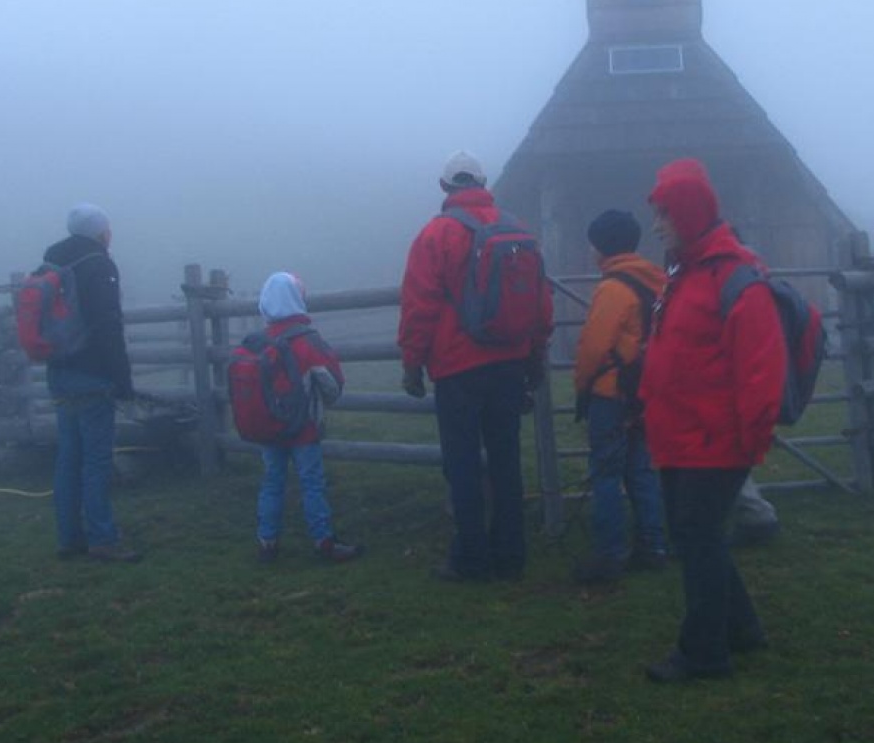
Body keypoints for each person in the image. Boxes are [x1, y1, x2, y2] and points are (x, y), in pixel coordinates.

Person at [639, 160, 786, 682]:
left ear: (690, 213)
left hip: (713, 440)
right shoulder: (687, 271)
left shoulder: (736, 279)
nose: (657, 226)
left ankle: (703, 654)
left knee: (696, 540)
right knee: (698, 536)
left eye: (665, 215)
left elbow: (760, 368)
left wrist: (749, 441)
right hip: (680, 434)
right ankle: (742, 630)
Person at [398, 150, 553, 582]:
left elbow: (419, 306)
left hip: (457, 367)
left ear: (446, 188)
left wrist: (412, 364)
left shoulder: (435, 235)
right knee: (506, 460)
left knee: (462, 463)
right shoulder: (518, 231)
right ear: (484, 183)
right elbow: (539, 302)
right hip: (509, 362)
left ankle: (470, 558)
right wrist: (535, 358)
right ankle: (511, 554)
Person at [570, 209, 668, 584]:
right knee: (642, 470)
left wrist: (583, 386)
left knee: (607, 473)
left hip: (611, 393)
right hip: (644, 392)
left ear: (601, 246)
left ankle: (610, 553)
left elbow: (594, 346)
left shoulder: (612, 288)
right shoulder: (656, 281)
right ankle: (653, 545)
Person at [44, 203, 140, 563]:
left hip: (59, 372)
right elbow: (107, 325)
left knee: (68, 458)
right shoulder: (98, 265)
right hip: (92, 374)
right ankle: (102, 538)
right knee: (97, 461)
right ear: (101, 232)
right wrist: (122, 379)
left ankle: (69, 537)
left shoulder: (52, 263)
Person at [247, 272, 364, 565]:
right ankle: (323, 541)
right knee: (312, 482)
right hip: (304, 430)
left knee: (272, 482)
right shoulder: (307, 341)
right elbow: (332, 385)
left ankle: (267, 543)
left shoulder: (259, 342)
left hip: (269, 431)